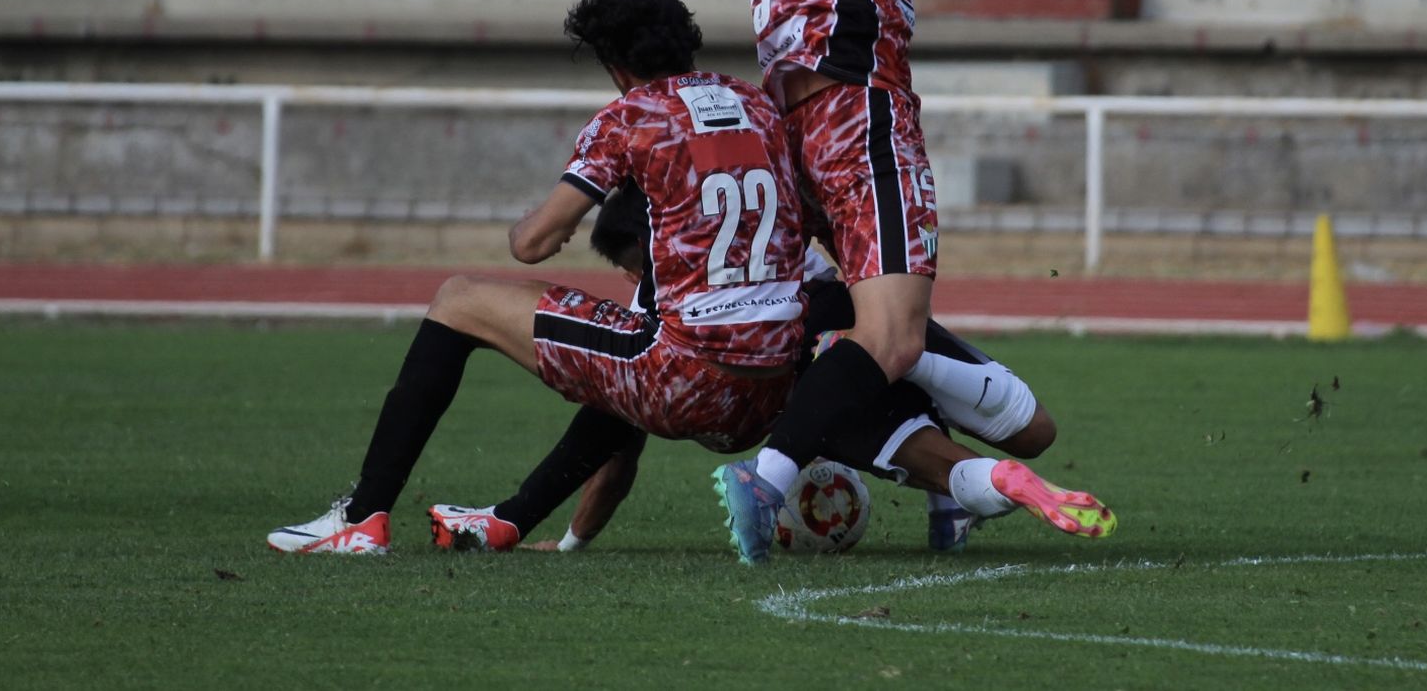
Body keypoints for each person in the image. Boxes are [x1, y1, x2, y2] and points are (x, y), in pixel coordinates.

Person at [267, 0, 810, 554]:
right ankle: (517, 520)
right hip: (775, 393)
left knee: (459, 299)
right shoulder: (754, 103)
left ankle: (361, 516)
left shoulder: (630, 116)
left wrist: (534, 221)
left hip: (687, 380)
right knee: (631, 337)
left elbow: (533, 243)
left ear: (613, 64)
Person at [716, 0, 1111, 563]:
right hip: (862, 119)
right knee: (893, 336)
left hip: (803, 131)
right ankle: (765, 478)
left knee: (891, 317)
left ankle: (943, 495)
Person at [428, 181, 1113, 556]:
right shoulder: (759, 223)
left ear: (641, 249)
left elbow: (614, 441)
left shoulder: (661, 301)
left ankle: (966, 483)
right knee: (1033, 430)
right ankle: (921, 387)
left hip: (805, 374)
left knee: (944, 460)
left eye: (628, 261)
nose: (632, 274)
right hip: (852, 323)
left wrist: (574, 539)